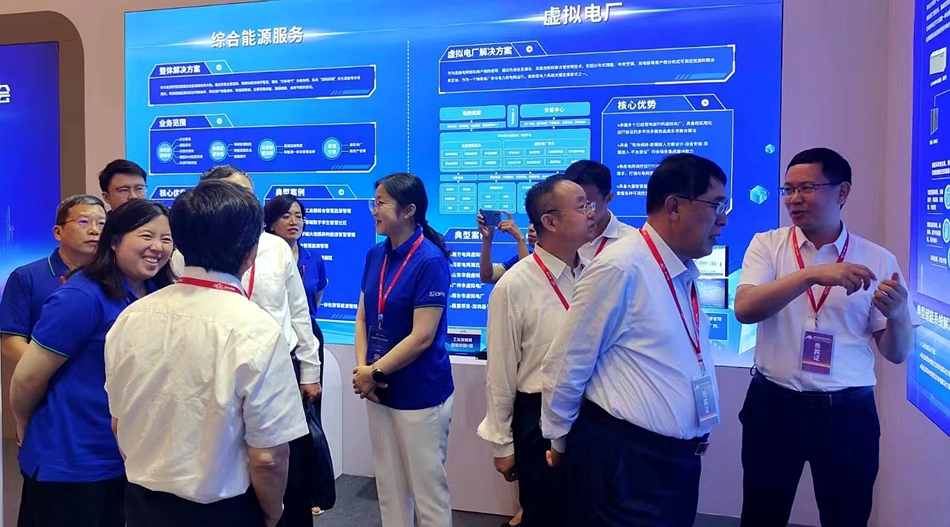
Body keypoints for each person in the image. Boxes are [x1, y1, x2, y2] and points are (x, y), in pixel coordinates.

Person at [105, 180, 308, 527]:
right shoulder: (256, 329)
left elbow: (118, 420)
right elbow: (269, 457)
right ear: (249, 253)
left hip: (142, 504)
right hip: (223, 511)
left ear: (179, 243)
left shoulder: (131, 316)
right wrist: (273, 513)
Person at [733, 147, 919, 527]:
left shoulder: (877, 259)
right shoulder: (767, 245)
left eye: (807, 188)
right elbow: (746, 309)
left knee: (847, 517)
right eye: (788, 189)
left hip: (847, 413)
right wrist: (811, 275)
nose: (794, 199)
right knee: (761, 515)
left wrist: (899, 315)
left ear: (842, 192)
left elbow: (896, 353)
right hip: (773, 405)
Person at [541, 153, 729, 527]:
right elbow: (567, 362)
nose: (723, 219)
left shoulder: (680, 271)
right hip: (627, 464)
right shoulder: (621, 266)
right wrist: (559, 440)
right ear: (674, 206)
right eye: (716, 205)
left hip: (675, 463)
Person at [10, 199, 176, 527]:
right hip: (71, 462)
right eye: (146, 236)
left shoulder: (158, 293)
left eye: (166, 239)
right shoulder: (82, 296)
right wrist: (25, 423)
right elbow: (28, 378)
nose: (157, 247)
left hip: (127, 459)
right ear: (114, 241)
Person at [195, 165, 322, 527]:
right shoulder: (188, 251)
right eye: (233, 194)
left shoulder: (275, 247)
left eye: (249, 195)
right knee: (231, 462)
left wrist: (309, 370)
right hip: (218, 371)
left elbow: (299, 312)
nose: (244, 203)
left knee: (286, 468)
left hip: (278, 367)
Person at [477, 175, 594, 527]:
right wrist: (502, 444)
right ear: (550, 222)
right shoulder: (515, 285)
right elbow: (500, 371)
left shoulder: (595, 274)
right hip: (538, 418)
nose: (592, 213)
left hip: (593, 414)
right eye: (582, 206)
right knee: (544, 513)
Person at [352, 172, 455, 527]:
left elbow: (422, 336)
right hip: (379, 390)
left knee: (427, 493)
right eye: (374, 202)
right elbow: (363, 317)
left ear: (409, 210)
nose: (374, 210)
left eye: (381, 203)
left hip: (419, 392)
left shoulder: (430, 260)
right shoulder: (375, 255)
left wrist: (374, 371)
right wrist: (364, 371)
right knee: (390, 488)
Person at [263, 193, 331, 517]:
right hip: (276, 342)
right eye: (286, 216)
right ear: (270, 221)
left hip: (306, 335)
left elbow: (312, 300)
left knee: (310, 417)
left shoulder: (313, 257)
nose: (294, 222)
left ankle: (311, 489)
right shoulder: (260, 253)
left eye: (299, 216)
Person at [1, 194, 106, 362]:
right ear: (58, 232)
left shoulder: (112, 278)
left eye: (102, 224)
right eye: (83, 222)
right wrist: (46, 370)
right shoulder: (26, 277)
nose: (95, 230)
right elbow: (11, 343)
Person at [564, 160, 637, 260]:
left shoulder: (632, 242)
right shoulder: (557, 236)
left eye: (587, 205)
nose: (581, 213)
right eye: (575, 205)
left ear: (608, 199)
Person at [477, 211, 534, 285]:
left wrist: (520, 239)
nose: (531, 228)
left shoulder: (547, 261)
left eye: (536, 224)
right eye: (530, 223)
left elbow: (528, 282)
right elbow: (487, 277)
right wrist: (487, 238)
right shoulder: (519, 259)